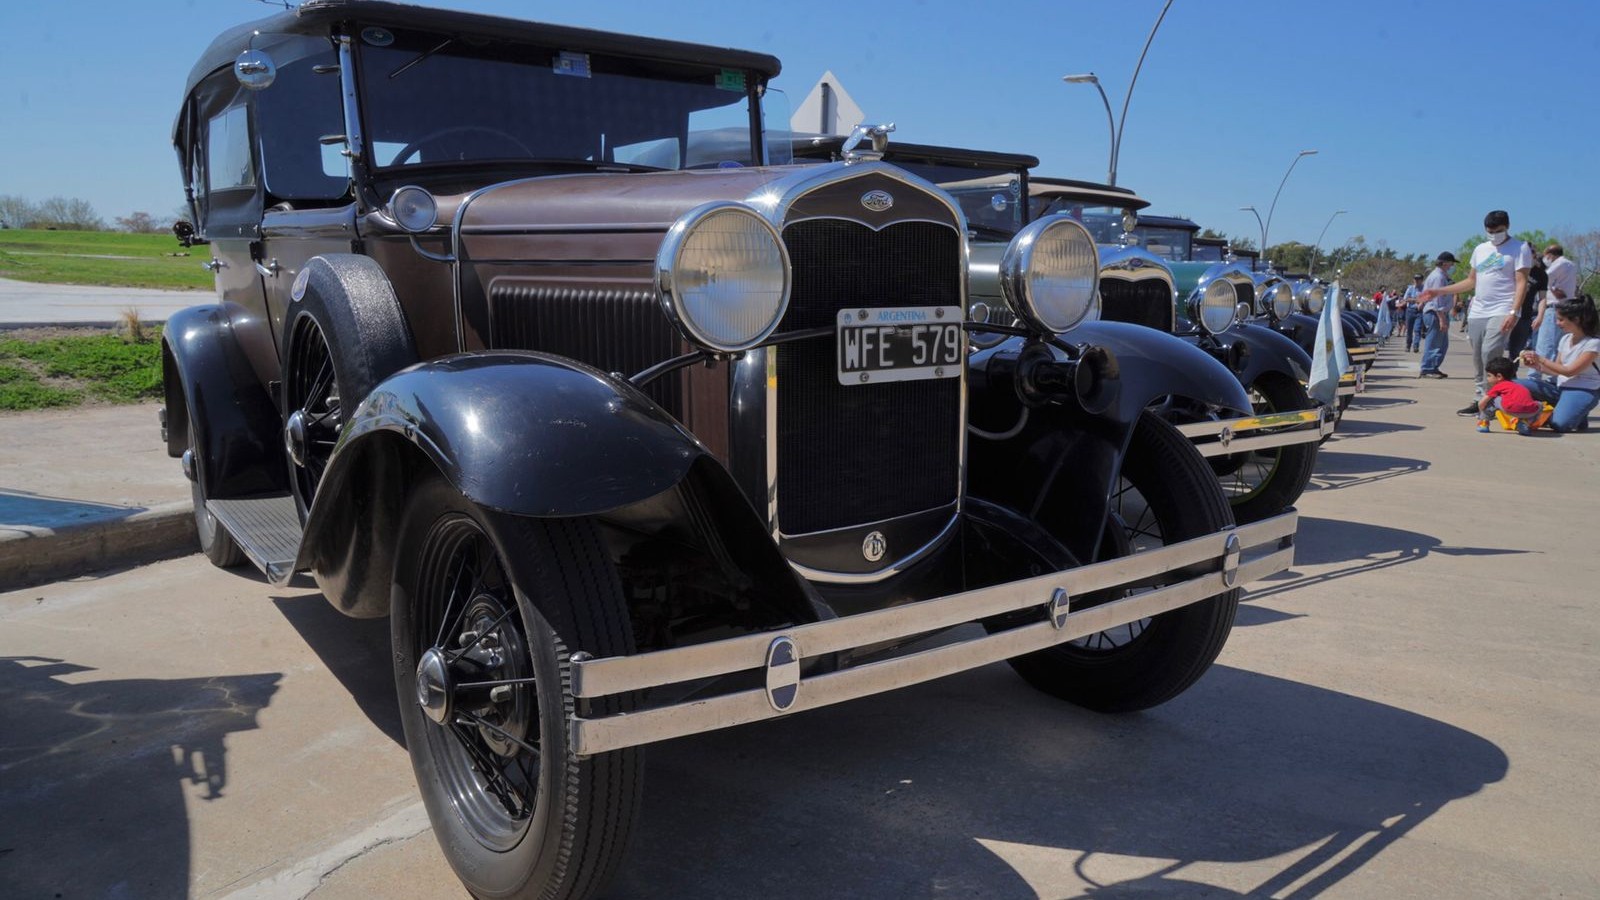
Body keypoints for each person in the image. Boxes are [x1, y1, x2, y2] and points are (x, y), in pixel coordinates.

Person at [1417, 210, 1533, 415]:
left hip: (1503, 307)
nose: (1493, 234)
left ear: (1507, 227)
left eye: (1497, 231)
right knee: (1478, 356)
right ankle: (1480, 396)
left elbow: (1522, 281)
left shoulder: (1519, 248)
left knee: (1491, 352)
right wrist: (1438, 291)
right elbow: (1471, 281)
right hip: (1479, 310)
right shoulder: (1480, 249)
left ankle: (1491, 399)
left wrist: (1514, 311)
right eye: (1489, 231)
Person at [1517, 295, 1600, 433]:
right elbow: (1557, 370)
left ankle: (1576, 412)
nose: (1557, 323)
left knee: (1559, 424)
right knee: (1516, 384)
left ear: (1576, 320)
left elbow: (1569, 371)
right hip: (1560, 388)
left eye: (1561, 319)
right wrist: (1536, 366)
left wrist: (1541, 359)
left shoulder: (1593, 344)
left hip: (1584, 389)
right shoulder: (1566, 339)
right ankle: (1572, 411)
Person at [1534, 244, 1578, 383]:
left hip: (1554, 307)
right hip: (1566, 307)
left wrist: (1538, 264)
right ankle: (1553, 377)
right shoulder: (1571, 264)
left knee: (1545, 344)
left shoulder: (1560, 263)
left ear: (1550, 255)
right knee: (1558, 345)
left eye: (1546, 256)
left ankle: (1535, 376)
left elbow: (1544, 277)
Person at [1476, 357, 1541, 434]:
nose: (1487, 378)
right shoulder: (1518, 386)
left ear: (1499, 377)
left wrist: (1481, 412)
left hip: (1511, 409)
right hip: (1530, 411)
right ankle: (1525, 423)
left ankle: (1484, 423)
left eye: (1489, 375)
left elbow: (1481, 403)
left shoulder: (1499, 386)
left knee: (1492, 400)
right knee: (1539, 405)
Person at [1419, 252, 1456, 377]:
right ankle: (1428, 368)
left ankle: (1433, 367)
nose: (1451, 266)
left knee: (1441, 343)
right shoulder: (1438, 277)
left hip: (1437, 313)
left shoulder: (1441, 276)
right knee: (1434, 342)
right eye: (1451, 263)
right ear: (1445, 263)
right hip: (1435, 313)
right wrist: (1441, 318)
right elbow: (1437, 299)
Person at [1508, 251, 1548, 358]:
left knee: (1516, 350)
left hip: (1524, 315)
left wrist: (1540, 316)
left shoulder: (1541, 274)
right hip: (1506, 311)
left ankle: (1512, 374)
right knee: (1495, 346)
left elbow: (1542, 298)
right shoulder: (1513, 268)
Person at [1401, 275, 1424, 352]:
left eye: (1418, 279)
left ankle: (1416, 346)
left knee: (1417, 329)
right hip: (1410, 310)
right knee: (1409, 330)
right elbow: (1405, 299)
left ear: (1421, 280)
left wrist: (1421, 302)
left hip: (1419, 311)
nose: (1416, 281)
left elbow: (1426, 298)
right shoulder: (1410, 288)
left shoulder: (1424, 289)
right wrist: (1416, 300)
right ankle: (1408, 345)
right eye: (1415, 279)